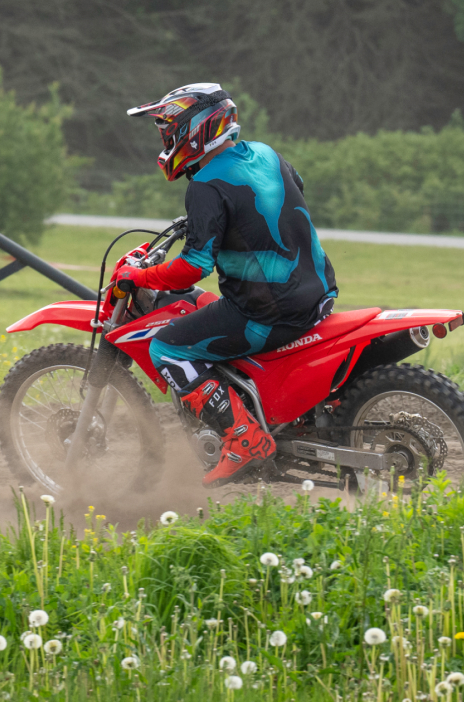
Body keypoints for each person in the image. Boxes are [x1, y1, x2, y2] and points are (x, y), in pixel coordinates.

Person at [119, 83, 338, 486]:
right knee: (205, 310)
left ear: (195, 130)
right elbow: (293, 188)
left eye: (170, 131)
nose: (166, 140)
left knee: (166, 346)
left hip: (268, 313)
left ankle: (244, 438)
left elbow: (192, 267)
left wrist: (142, 276)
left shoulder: (204, 186)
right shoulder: (267, 154)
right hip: (318, 292)